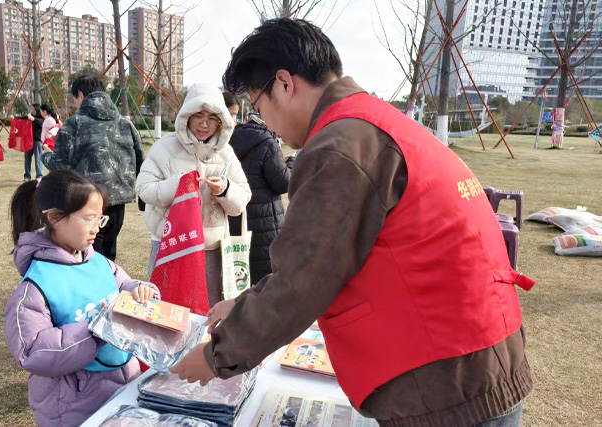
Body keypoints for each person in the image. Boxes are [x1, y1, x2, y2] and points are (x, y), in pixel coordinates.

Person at [170, 19, 534, 427]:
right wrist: (244, 302)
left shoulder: (339, 147)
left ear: (285, 84)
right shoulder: (374, 120)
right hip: (475, 354)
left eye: (260, 107)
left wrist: (213, 357)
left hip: (444, 378)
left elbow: (302, 283)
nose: (267, 125)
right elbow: (333, 260)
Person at [4, 169, 159, 427]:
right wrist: (97, 330)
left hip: (124, 384)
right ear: (54, 217)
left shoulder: (98, 262)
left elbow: (123, 285)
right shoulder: (34, 288)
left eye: (100, 220)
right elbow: (32, 351)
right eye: (88, 220)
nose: (96, 229)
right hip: (72, 405)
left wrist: (140, 291)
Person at [136, 83, 252, 307]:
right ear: (186, 115)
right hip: (170, 247)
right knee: (165, 310)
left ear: (222, 121)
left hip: (211, 250)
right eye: (198, 115)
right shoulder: (165, 147)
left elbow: (243, 197)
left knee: (206, 313)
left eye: (212, 117)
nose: (204, 124)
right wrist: (178, 186)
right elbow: (143, 189)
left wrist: (225, 189)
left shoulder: (226, 153)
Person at [42, 75, 144, 262]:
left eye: (74, 100)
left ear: (81, 95)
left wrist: (45, 155)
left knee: (89, 254)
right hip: (118, 202)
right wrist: (143, 199)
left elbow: (61, 166)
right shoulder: (125, 124)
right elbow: (140, 162)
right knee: (109, 250)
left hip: (87, 201)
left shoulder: (74, 124)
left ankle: (96, 289)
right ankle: (110, 287)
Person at [226, 106, 292, 285]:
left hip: (237, 217)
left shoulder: (230, 140)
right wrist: (291, 165)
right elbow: (283, 183)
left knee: (241, 276)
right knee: (265, 281)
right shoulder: (268, 143)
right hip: (266, 222)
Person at [14, 103, 45, 182]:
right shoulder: (30, 116)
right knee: (27, 159)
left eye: (33, 109)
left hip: (37, 141)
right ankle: (27, 175)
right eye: (31, 109)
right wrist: (14, 118)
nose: (32, 111)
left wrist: (34, 119)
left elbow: (42, 123)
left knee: (38, 158)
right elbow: (23, 118)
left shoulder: (41, 117)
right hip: (28, 141)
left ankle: (39, 175)